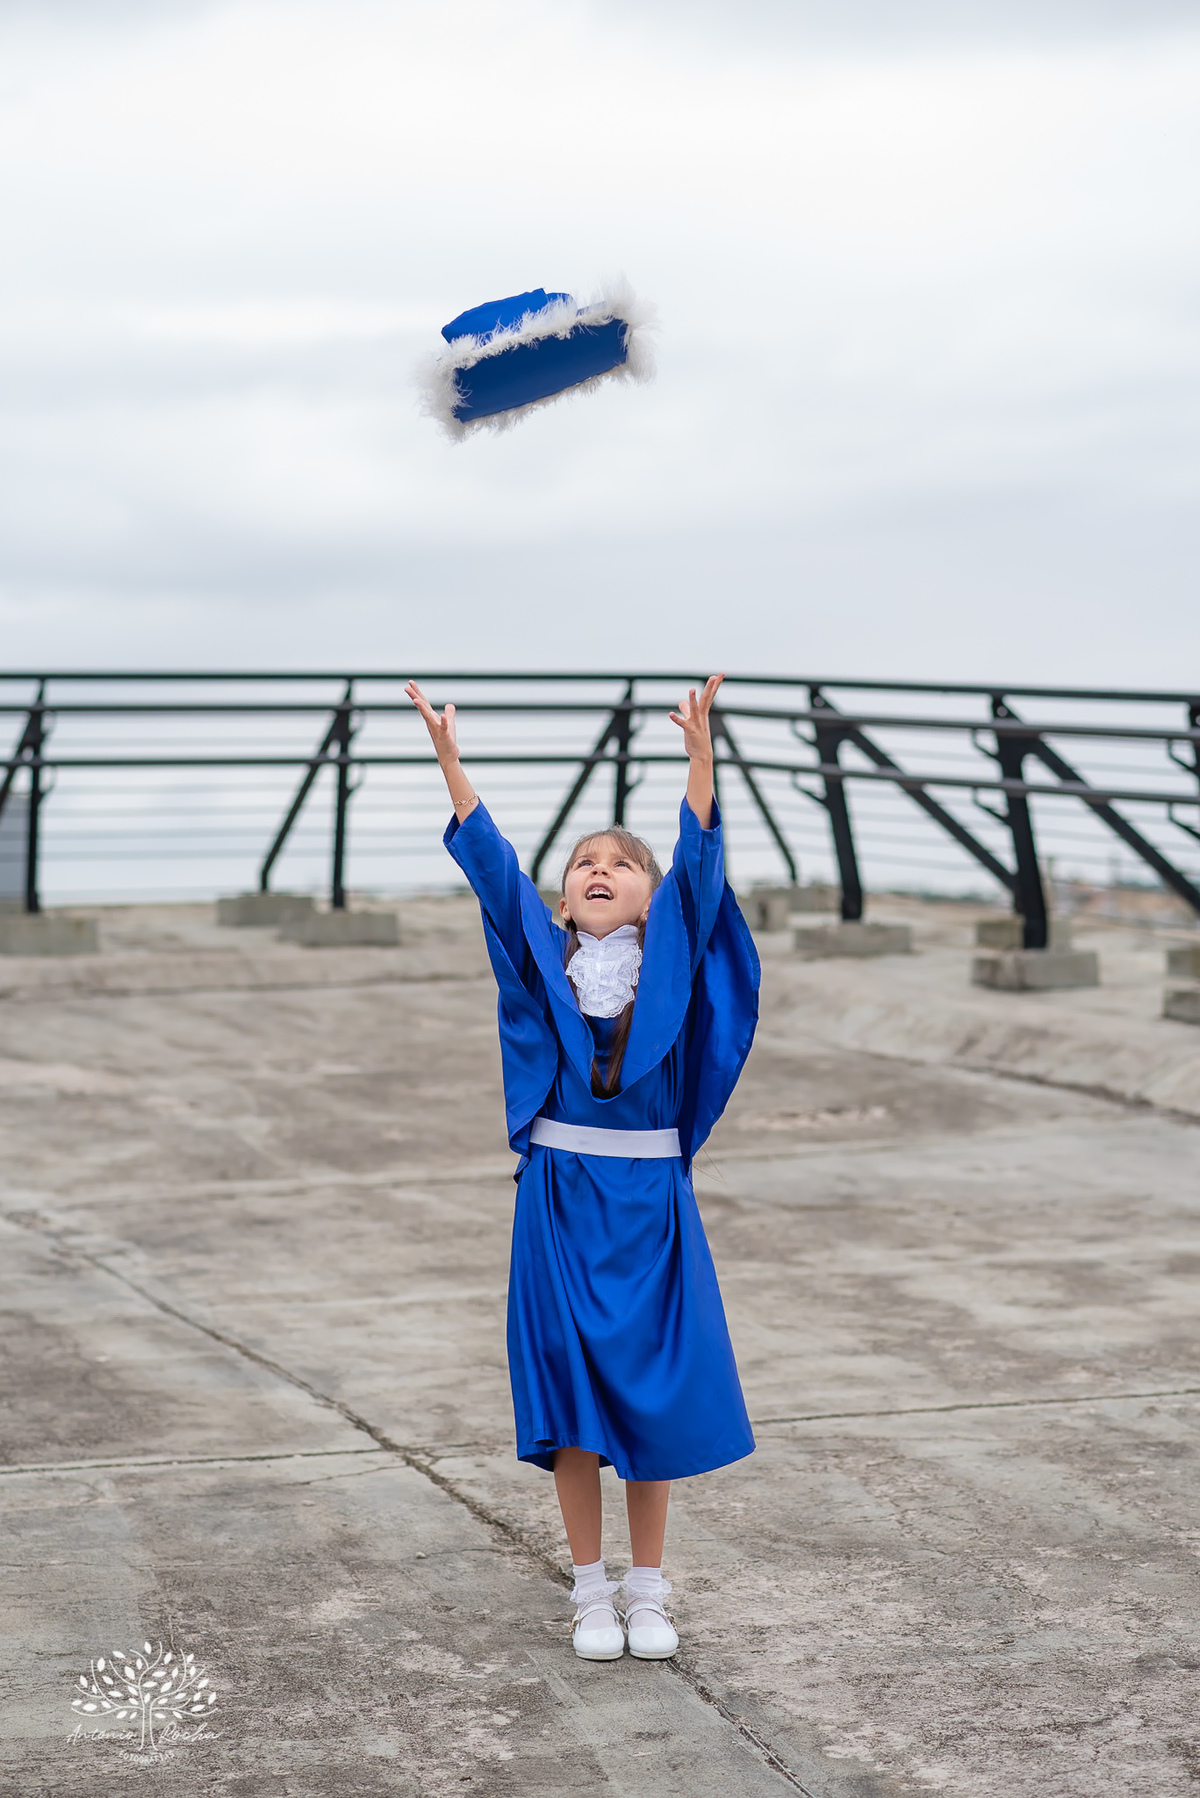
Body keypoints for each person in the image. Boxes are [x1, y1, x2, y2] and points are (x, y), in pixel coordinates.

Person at [405, 674, 758, 1662]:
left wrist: (699, 756)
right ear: (566, 896)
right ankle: (590, 1589)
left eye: (622, 863)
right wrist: (449, 760)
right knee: (571, 1405)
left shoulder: (675, 966)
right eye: (585, 863)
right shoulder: (540, 961)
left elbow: (701, 863)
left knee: (652, 1397)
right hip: (559, 1203)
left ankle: (651, 1589)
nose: (601, 869)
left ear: (650, 895)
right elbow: (493, 869)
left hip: (652, 1206)